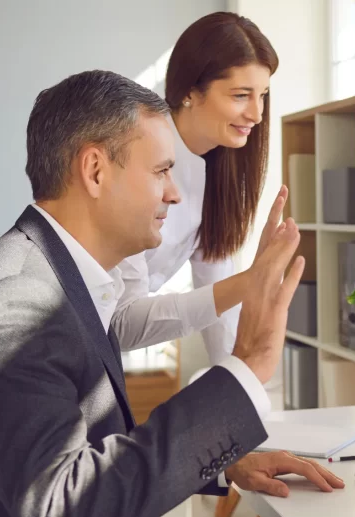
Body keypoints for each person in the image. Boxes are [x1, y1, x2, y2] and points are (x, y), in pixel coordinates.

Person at [0, 71, 343, 517]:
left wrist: (223, 460)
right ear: (95, 170)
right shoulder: (13, 305)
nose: (175, 195)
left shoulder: (51, 278)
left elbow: (80, 446)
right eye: (162, 171)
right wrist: (247, 363)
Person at [112, 12, 282, 363]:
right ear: (191, 92)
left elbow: (217, 300)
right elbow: (121, 321)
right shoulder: (136, 160)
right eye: (240, 95)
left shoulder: (220, 170)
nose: (257, 114)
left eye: (262, 95)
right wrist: (251, 280)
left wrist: (239, 387)